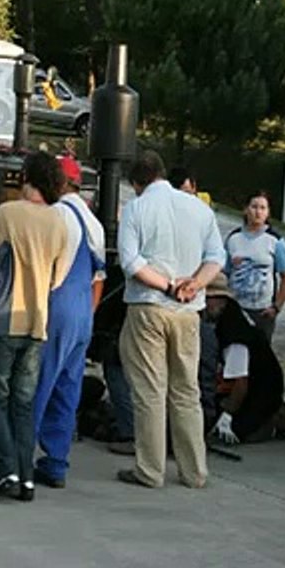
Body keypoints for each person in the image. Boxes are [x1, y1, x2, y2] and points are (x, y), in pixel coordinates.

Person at [116, 150, 224, 489]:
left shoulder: (136, 208)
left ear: (137, 182)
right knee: (186, 390)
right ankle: (194, 470)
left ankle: (150, 468)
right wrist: (195, 284)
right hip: (189, 309)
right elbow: (216, 257)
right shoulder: (199, 209)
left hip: (150, 304)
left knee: (150, 389)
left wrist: (166, 285)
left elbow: (130, 262)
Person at [0, 151, 69, 501]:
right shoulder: (60, 221)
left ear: (25, 176)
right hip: (37, 322)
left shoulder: (8, 213)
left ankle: (7, 470)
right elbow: (58, 277)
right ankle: (25, 475)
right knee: (24, 403)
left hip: (4, 317)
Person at [32, 155, 106, 488]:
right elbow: (99, 278)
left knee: (35, 385)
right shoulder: (94, 222)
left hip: (57, 305)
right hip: (83, 310)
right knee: (66, 389)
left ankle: (17, 460)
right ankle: (56, 463)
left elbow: (43, 269)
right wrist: (86, 316)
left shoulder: (56, 215)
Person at [202, 274, 285, 447]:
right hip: (255, 378)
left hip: (262, 388)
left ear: (221, 300)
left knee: (237, 433)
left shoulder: (234, 336)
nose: (205, 304)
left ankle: (274, 417)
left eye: (208, 299)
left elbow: (240, 383)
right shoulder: (231, 314)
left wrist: (227, 416)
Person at [224, 191, 285, 344]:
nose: (258, 212)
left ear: (268, 212)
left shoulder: (274, 241)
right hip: (237, 307)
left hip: (262, 311)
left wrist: (276, 307)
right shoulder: (233, 238)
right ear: (246, 210)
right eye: (254, 207)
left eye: (263, 208)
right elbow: (224, 272)